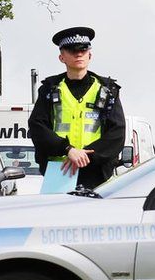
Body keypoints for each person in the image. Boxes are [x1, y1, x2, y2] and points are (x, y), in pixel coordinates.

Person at [28, 26, 125, 189]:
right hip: (58, 171)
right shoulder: (49, 89)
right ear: (61, 57)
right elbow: (37, 127)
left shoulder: (107, 90)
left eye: (83, 49)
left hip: (97, 174)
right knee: (58, 215)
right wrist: (68, 150)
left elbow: (117, 133)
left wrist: (86, 156)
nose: (79, 53)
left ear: (90, 55)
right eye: (72, 50)